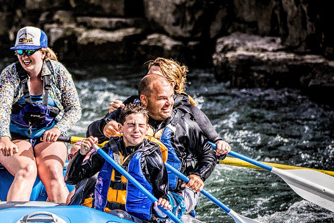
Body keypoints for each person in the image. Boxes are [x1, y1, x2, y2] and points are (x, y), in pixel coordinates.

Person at [0, 26, 81, 203]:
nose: (24, 56)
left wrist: (58, 128)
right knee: (27, 169)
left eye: (29, 51)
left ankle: (65, 222)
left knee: (54, 171)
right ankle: (12, 220)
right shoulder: (9, 75)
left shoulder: (58, 72)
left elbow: (74, 109)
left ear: (43, 52)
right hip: (15, 137)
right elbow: (1, 111)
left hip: (47, 135)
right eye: (20, 51)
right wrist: (4, 138)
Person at [87, 57, 230, 156]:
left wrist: (218, 142)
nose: (148, 80)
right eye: (148, 75)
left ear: (171, 84)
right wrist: (107, 125)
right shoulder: (134, 104)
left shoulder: (187, 111)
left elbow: (211, 144)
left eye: (155, 77)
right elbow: (92, 134)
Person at [65, 104, 171, 223]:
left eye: (141, 125)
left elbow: (162, 195)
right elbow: (71, 179)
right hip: (104, 217)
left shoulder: (151, 156)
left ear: (146, 129)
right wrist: (81, 153)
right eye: (131, 125)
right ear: (120, 128)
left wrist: (163, 203)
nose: (136, 130)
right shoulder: (108, 150)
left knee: (118, 216)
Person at [138, 74, 217, 215]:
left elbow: (208, 152)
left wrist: (198, 175)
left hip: (178, 192)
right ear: (144, 100)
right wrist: (105, 128)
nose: (169, 103)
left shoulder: (186, 125)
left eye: (170, 97)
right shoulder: (131, 120)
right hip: (139, 189)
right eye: (162, 98)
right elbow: (94, 130)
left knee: (160, 208)